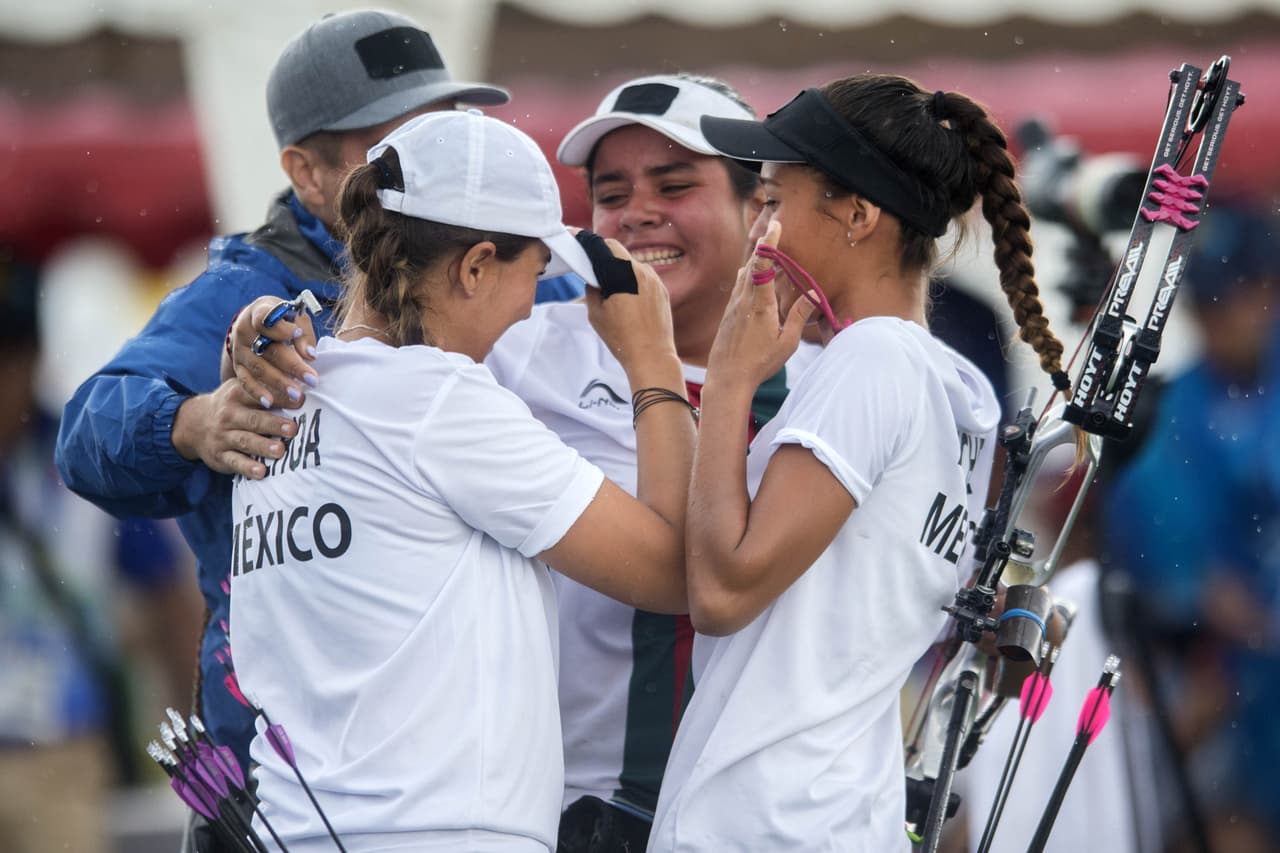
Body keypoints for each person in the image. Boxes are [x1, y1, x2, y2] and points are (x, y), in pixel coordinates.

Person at [231, 74, 819, 851]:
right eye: (534, 273)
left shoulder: (278, 397)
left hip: (306, 826)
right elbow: (679, 570)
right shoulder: (440, 397)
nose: (534, 304)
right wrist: (652, 364)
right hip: (440, 830)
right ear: (474, 267)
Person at [52, 9, 516, 777]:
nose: (432, 164)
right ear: (306, 172)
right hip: (293, 777)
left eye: (447, 131)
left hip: (465, 761)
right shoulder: (244, 288)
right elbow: (83, 435)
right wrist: (194, 422)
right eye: (395, 146)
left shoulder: (504, 264)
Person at [645, 75, 1074, 851]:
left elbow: (722, 590)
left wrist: (733, 378)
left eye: (774, 201)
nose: (758, 232)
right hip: (843, 813)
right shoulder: (959, 389)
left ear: (857, 214)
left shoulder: (873, 359)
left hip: (764, 820)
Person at [0, 253, 198, 853]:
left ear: (29, 359)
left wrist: (198, 742)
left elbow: (171, 603)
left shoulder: (82, 463)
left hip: (55, 759)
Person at [1103, 202, 1280, 850]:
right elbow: (1179, 573)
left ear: (1270, 289)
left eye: (1234, 296)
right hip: (1224, 674)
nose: (1217, 317)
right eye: (1206, 303)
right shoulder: (1173, 409)